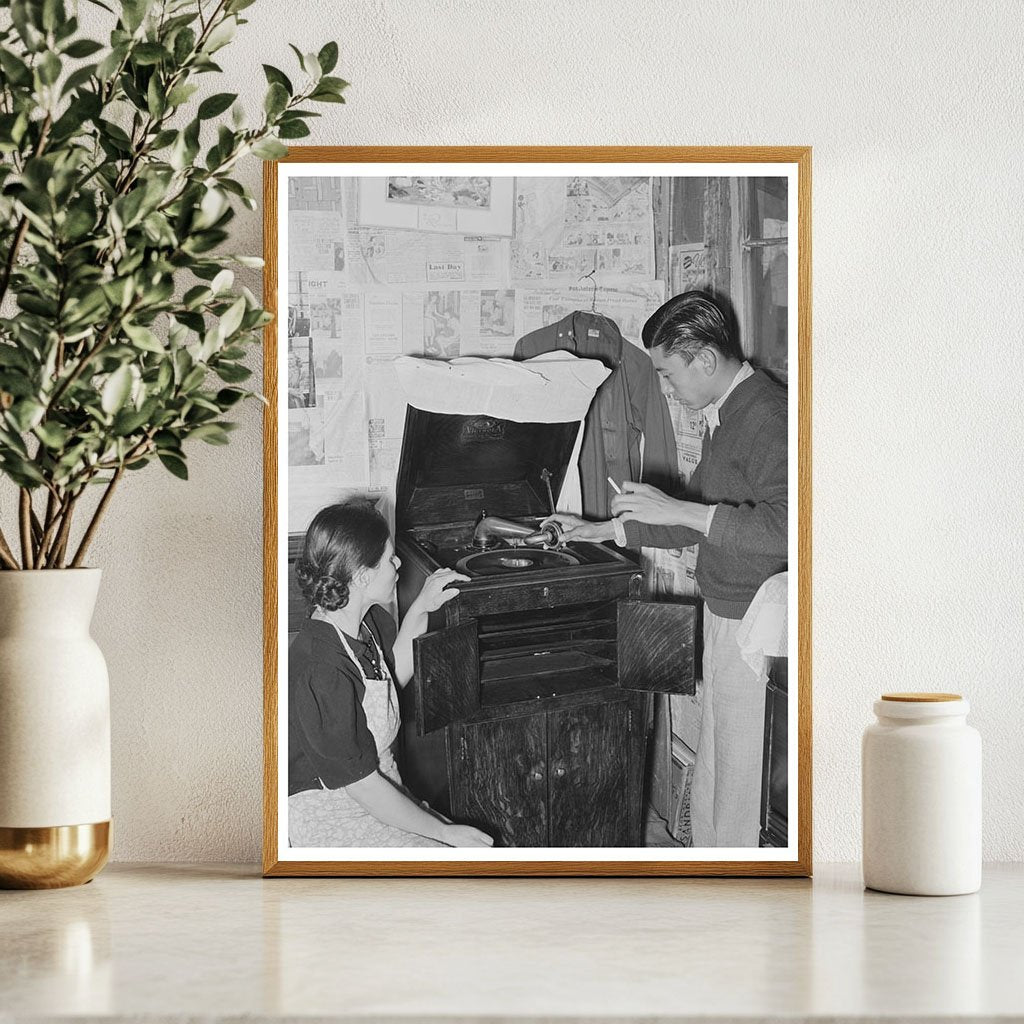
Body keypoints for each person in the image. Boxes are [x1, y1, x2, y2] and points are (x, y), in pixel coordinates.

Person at [544, 291, 787, 847]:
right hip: (727, 613)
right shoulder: (724, 413)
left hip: (759, 631)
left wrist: (683, 509)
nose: (664, 388)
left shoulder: (767, 415)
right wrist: (605, 529)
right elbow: (695, 519)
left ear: (704, 359)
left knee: (739, 776)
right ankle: (708, 867)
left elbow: (789, 527)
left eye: (668, 373)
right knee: (719, 764)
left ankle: (734, 892)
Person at [288, 501, 494, 848]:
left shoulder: (362, 623)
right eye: (389, 558)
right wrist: (443, 831)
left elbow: (390, 678)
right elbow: (362, 785)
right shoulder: (321, 668)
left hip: (381, 792)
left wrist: (424, 603)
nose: (397, 563)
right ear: (363, 576)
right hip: (334, 813)